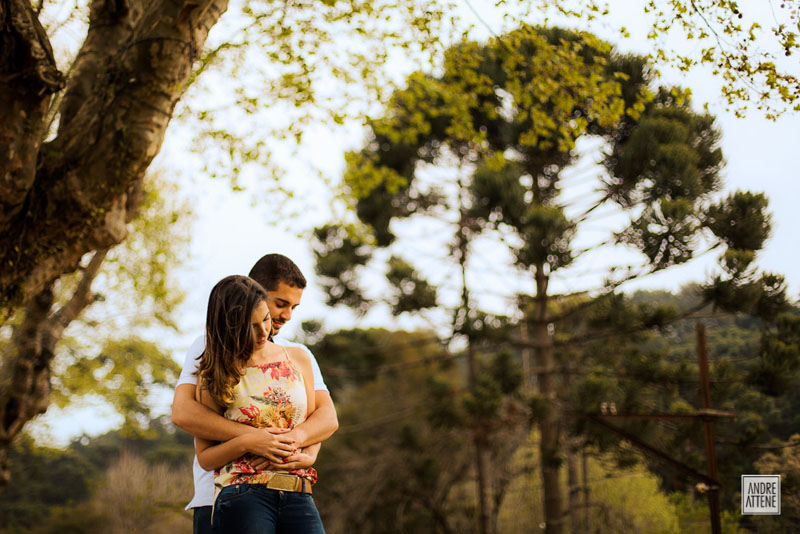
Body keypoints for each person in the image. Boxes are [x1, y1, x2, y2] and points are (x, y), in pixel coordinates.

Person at [172, 254, 338, 534]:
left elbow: (324, 417)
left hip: (294, 490)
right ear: (256, 292)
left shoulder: (298, 355)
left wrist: (301, 446)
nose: (286, 316)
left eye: (294, 307)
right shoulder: (208, 348)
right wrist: (253, 440)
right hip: (220, 494)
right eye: (281, 304)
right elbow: (184, 413)